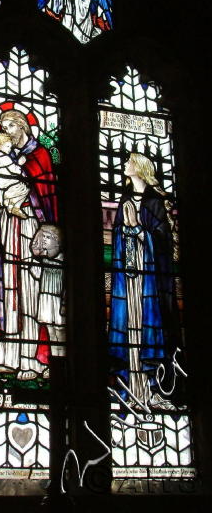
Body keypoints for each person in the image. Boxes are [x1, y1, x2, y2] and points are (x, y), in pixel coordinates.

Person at [0, 109, 58, 379]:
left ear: (23, 126)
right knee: (7, 289)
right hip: (7, 229)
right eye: (3, 127)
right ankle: (6, 357)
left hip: (31, 230)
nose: (5, 131)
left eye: (10, 126)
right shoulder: (4, 157)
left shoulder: (40, 156)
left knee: (30, 293)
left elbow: (45, 194)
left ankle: (32, 359)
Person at [109, 153, 178, 410]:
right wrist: (126, 230)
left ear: (139, 168)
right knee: (128, 326)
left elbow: (163, 240)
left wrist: (140, 230)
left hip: (150, 280)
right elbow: (118, 233)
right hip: (128, 278)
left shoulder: (155, 201)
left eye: (129, 162)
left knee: (149, 326)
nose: (125, 165)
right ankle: (128, 388)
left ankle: (153, 389)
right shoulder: (125, 199)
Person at [30, 224, 65, 372]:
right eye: (43, 236)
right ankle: (54, 364)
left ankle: (61, 363)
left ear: (57, 241)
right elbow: (36, 273)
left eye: (48, 237)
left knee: (60, 333)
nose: (44, 240)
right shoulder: (44, 259)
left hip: (57, 300)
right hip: (46, 298)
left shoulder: (63, 259)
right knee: (51, 332)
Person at [0, 133, 29, 219]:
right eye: (7, 147)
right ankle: (16, 207)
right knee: (26, 189)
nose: (9, 149)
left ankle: (11, 206)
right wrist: (20, 163)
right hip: (10, 184)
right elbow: (15, 170)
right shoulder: (4, 157)